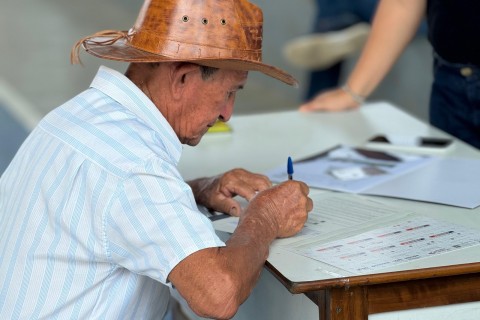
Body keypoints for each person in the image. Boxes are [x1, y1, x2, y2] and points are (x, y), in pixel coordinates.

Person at [0, 0, 313, 319]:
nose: (226, 114)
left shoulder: (79, 117)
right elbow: (219, 295)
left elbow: (102, 208)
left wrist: (194, 191)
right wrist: (267, 216)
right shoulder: (133, 163)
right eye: (229, 92)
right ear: (183, 78)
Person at [298, 0, 480, 150]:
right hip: (452, 81)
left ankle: (339, 22)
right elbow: (403, 4)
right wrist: (352, 92)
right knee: (450, 188)